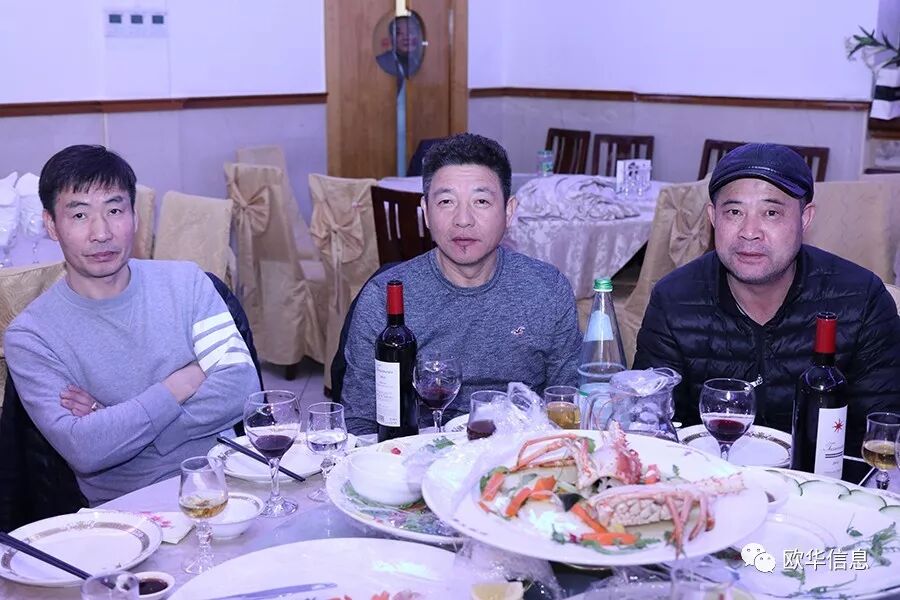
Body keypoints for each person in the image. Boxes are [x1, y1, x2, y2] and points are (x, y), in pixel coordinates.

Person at [4, 145, 261, 505]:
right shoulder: (31, 336)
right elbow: (86, 449)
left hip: (227, 484)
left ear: (135, 217)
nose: (101, 232)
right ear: (51, 225)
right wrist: (179, 384)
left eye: (114, 210)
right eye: (79, 215)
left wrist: (114, 419)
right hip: (127, 509)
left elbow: (242, 388)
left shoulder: (187, 283)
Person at [634, 143, 900, 456]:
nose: (750, 232)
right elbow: (650, 428)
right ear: (713, 217)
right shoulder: (674, 300)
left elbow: (884, 431)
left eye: (771, 213)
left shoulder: (860, 300)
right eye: (734, 212)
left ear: (805, 218)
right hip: (706, 478)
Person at [342, 133, 580, 434]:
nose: (463, 219)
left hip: (520, 452)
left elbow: (567, 404)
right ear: (426, 213)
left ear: (508, 211)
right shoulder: (384, 298)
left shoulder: (547, 289)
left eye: (481, 201)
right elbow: (360, 422)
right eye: (446, 202)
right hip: (418, 453)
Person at [375, 15, 424, 85]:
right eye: (398, 33)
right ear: (391, 38)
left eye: (411, 31)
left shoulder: (420, 62)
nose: (406, 37)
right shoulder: (381, 62)